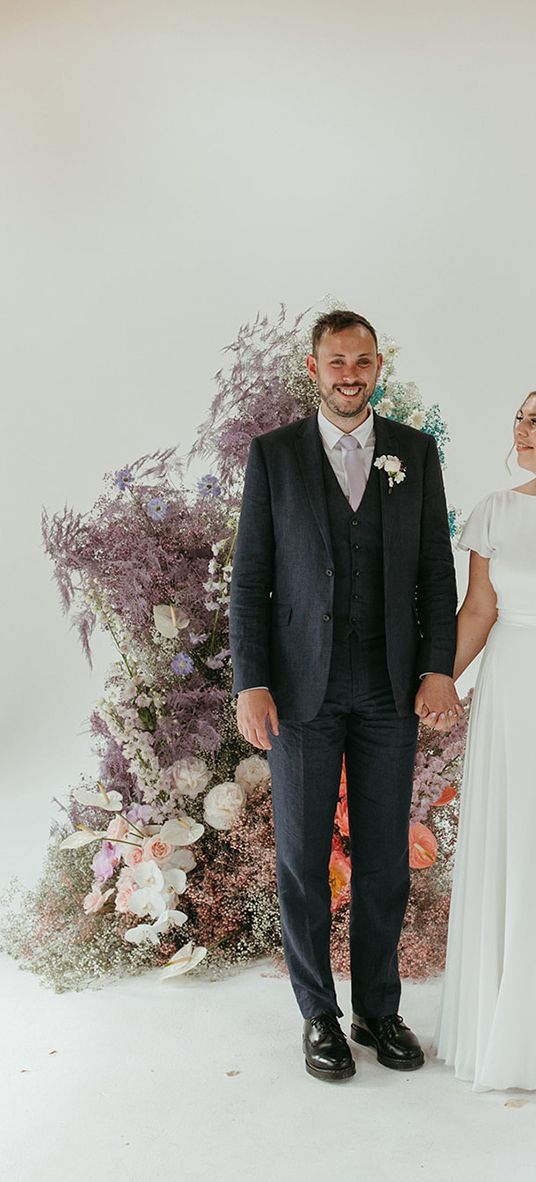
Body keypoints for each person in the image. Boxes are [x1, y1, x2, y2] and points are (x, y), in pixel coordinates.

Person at [229, 310, 461, 1082]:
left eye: (363, 359)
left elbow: (435, 572)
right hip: (301, 691)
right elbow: (250, 579)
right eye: (337, 360)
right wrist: (251, 681)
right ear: (314, 367)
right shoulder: (274, 457)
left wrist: (438, 668)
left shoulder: (415, 453)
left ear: (378, 366)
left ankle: (378, 1010)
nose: (350, 373)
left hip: (390, 688)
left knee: (386, 859)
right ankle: (318, 1015)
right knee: (300, 857)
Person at [434, 391, 536, 1092]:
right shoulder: (497, 509)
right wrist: (437, 681)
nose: (527, 429)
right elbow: (480, 607)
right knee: (516, 840)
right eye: (525, 416)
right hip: (512, 687)